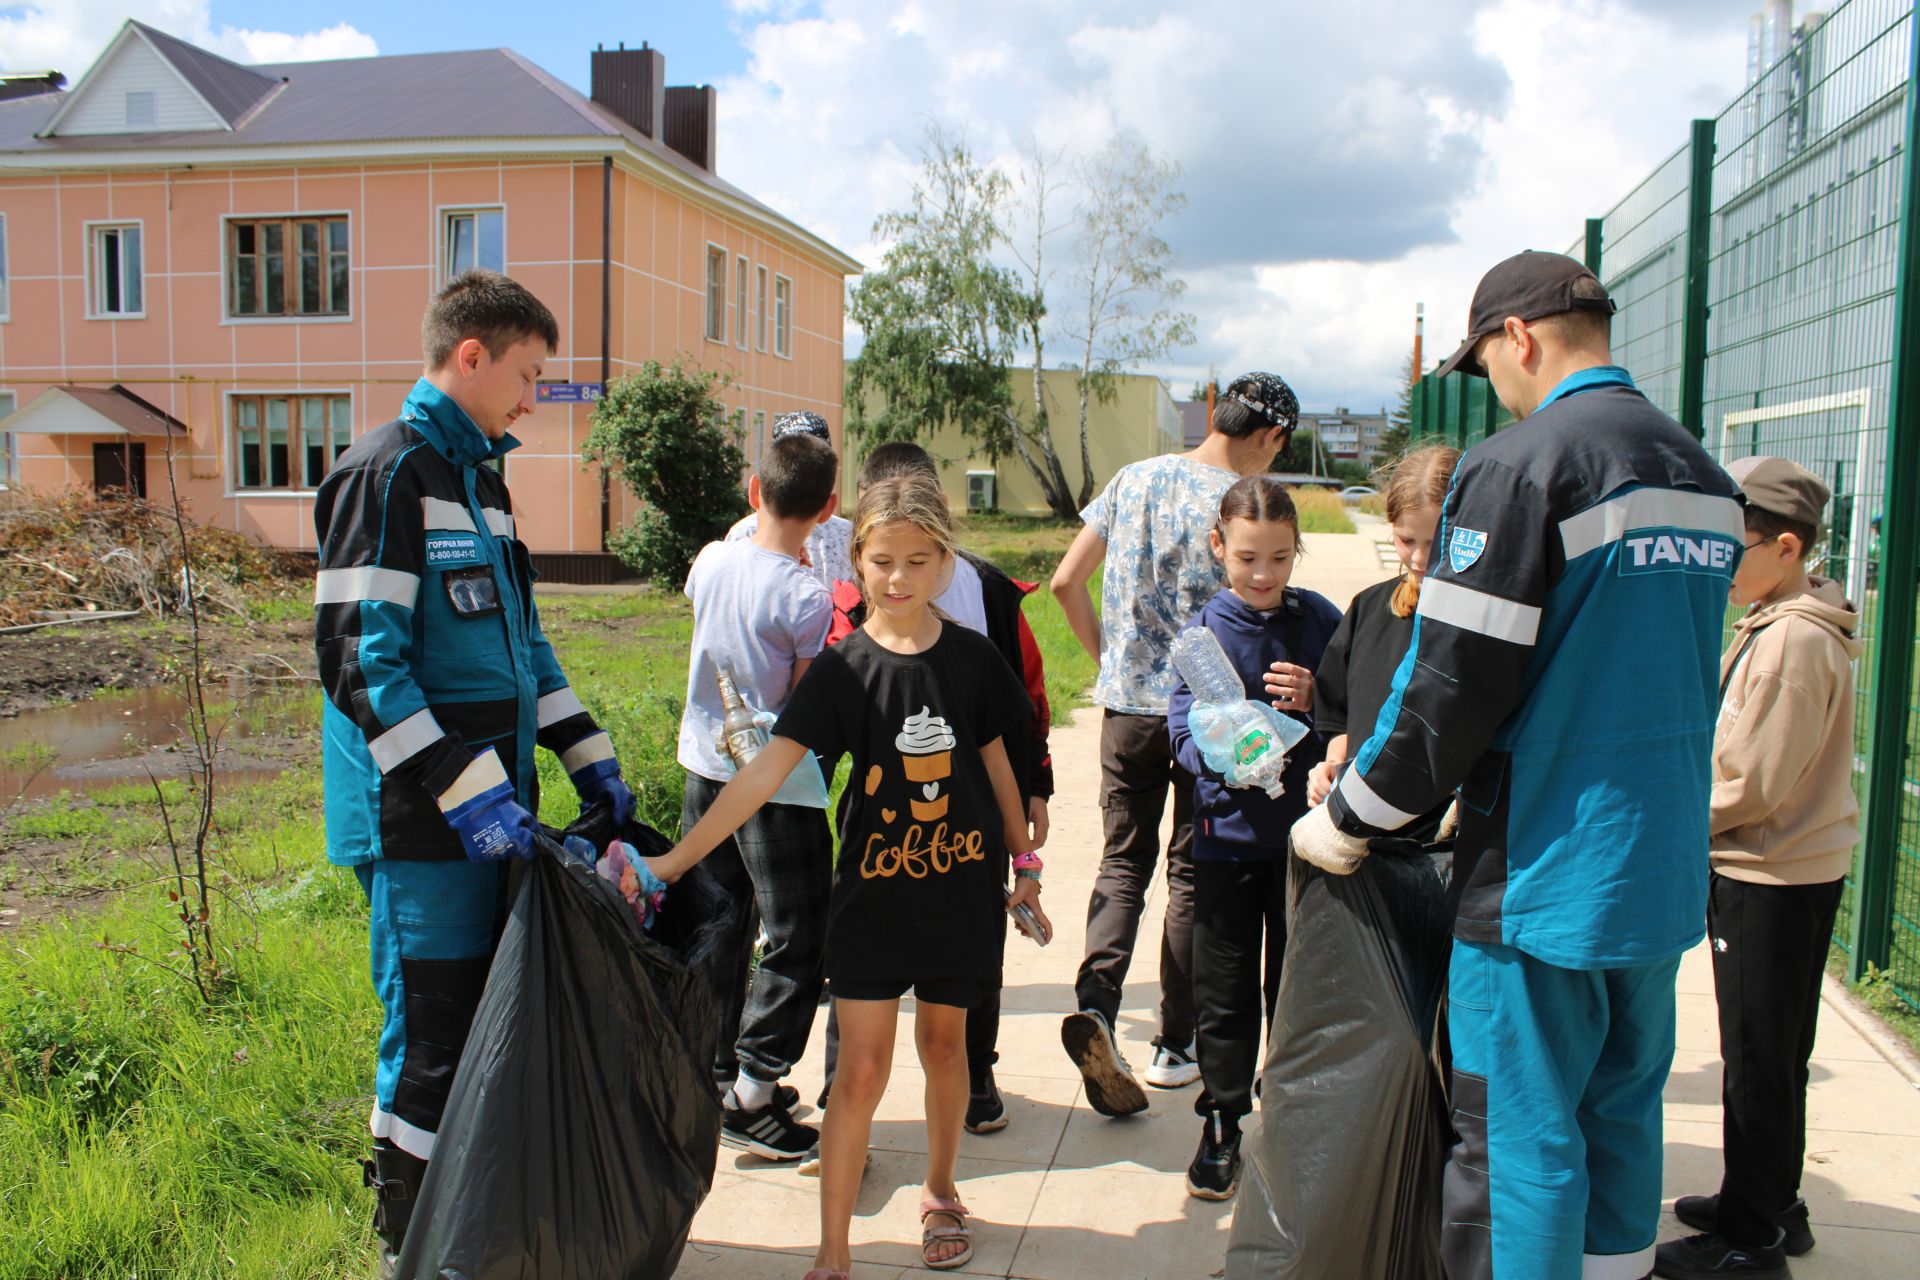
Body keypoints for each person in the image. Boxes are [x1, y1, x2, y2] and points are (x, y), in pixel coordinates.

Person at [1290, 251, 1745, 1280]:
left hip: (1542, 871)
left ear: (1520, 338)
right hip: (1658, 866)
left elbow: (1452, 686)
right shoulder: (1703, 477)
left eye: (1488, 358)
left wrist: (1354, 812)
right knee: (1620, 1112)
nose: (1492, 381)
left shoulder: (1520, 466)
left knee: (1515, 1136)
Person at [645, 473, 1050, 1279]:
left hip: (961, 896)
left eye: (918, 560)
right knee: (859, 1071)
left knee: (945, 1051)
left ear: (943, 565)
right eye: (881, 560)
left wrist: (1027, 861)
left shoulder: (972, 660)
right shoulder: (841, 670)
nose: (898, 578)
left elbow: (998, 761)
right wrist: (674, 860)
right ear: (855, 561)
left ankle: (941, 1193)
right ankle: (832, 1251)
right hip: (870, 901)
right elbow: (763, 775)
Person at [313, 270, 636, 1272]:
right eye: (528, 374)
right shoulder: (390, 475)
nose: (536, 396)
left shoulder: (480, 483)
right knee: (435, 1035)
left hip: (490, 817)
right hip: (418, 825)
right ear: (470, 356)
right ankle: (407, 1246)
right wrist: (467, 788)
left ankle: (471, 1233)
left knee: (484, 1033)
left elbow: (524, 652)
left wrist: (593, 765)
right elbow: (365, 664)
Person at [1051, 372, 1301, 1116]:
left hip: (1127, 710)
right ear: (1270, 437)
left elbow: (1066, 581)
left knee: (1121, 863)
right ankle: (1175, 1042)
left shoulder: (1135, 478)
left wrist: (1109, 662)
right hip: (1208, 719)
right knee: (1191, 873)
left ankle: (1097, 1003)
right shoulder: (1237, 508)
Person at [813, 441, 1054, 1147]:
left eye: (920, 550)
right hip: (879, 817)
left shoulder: (991, 591)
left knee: (973, 948)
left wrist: (1034, 781)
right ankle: (839, 1089)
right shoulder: (854, 598)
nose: (901, 570)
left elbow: (1027, 694)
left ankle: (976, 1078)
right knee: (856, 948)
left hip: (974, 817)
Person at [1655, 458, 1859, 1280]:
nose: (1717, 562)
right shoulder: (1778, 619)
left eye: (1729, 546)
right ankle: (1774, 1200)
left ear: (1784, 546)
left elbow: (1750, 785)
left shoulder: (1791, 643)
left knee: (1758, 1052)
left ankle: (1752, 1238)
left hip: (1768, 875)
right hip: (1785, 867)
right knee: (1775, 1049)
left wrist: (1666, 815)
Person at [1166, 476, 1341, 1200]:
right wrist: (1229, 746)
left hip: (1306, 845)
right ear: (1219, 548)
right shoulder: (1201, 636)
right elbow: (1178, 737)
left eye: (1278, 557)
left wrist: (1319, 702)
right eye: (1246, 558)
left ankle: (1293, 1107)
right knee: (1225, 990)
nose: (1264, 575)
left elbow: (1357, 717)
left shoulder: (1322, 622)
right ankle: (1223, 1120)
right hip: (1227, 843)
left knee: (1296, 988)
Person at [679, 430, 841, 1161]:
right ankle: (753, 1088)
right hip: (772, 784)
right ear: (830, 508)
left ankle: (714, 1072)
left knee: (722, 924)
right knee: (798, 933)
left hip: (703, 770)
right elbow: (805, 703)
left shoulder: (712, 561)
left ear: (753, 492)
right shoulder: (806, 596)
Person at [1305, 443, 1462, 825]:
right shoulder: (1367, 609)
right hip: (1366, 828)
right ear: (1389, 527)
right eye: (1407, 541)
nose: (1421, 559)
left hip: (1447, 839)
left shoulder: (1486, 621)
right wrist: (1330, 766)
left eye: (1439, 540)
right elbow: (1338, 716)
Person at [726, 411, 853, 589]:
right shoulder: (743, 534)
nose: (800, 468)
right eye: (788, 459)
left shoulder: (847, 535)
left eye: (813, 458)